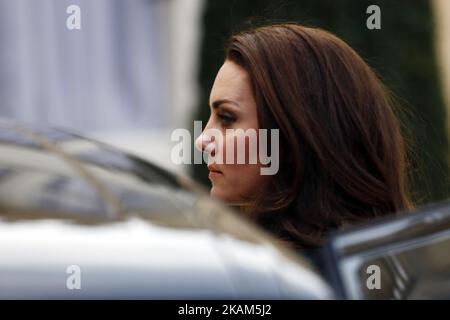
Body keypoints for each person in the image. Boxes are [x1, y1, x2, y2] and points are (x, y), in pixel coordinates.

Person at [195, 24, 412, 250]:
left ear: (293, 136)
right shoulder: (395, 257)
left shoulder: (278, 274)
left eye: (227, 118)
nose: (201, 141)